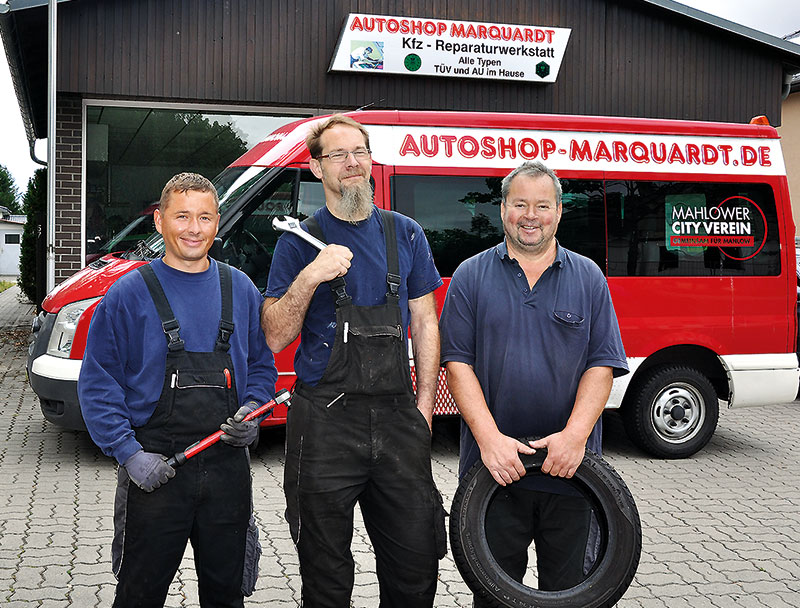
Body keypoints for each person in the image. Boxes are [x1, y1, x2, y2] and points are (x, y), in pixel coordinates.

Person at [261, 114, 444, 608]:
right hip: (323, 424)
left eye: (359, 152)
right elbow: (275, 335)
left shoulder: (405, 235)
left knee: (415, 565)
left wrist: (424, 408)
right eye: (337, 155)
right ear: (317, 168)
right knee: (326, 574)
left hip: (399, 420)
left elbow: (426, 323)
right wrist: (310, 277)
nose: (352, 164)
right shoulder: (297, 241)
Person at [78, 172, 277, 607]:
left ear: (218, 222)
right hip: (155, 470)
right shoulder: (128, 294)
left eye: (205, 217)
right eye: (182, 216)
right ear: (159, 221)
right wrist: (128, 454)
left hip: (227, 468)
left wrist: (254, 411)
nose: (194, 228)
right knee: (139, 593)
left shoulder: (240, 288)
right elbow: (98, 381)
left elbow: (262, 366)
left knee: (226, 594)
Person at [439, 160, 628, 598]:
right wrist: (489, 441)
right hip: (493, 475)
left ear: (559, 212)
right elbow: (457, 365)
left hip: (573, 473)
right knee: (494, 598)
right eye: (519, 203)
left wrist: (574, 437)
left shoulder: (588, 277)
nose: (530, 215)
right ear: (502, 208)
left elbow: (601, 366)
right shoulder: (471, 275)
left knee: (572, 595)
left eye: (542, 205)